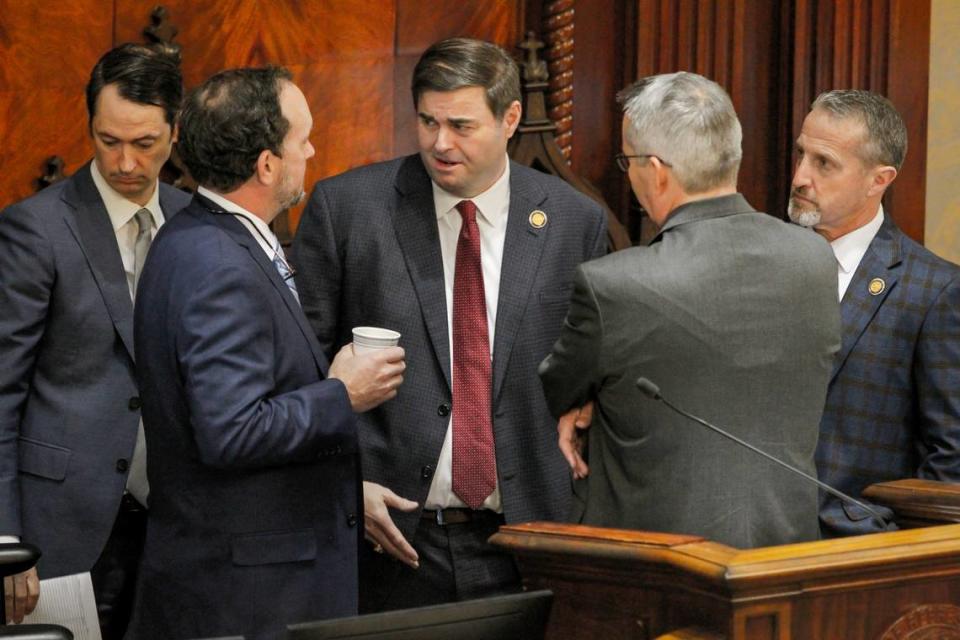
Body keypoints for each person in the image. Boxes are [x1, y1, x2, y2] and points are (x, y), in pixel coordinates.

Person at [292, 37, 607, 610]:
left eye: (461, 125)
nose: (440, 143)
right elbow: (297, 370)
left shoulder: (572, 221)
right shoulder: (349, 208)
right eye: (428, 121)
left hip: (532, 538)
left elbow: (594, 367)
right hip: (389, 538)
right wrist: (339, 487)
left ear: (510, 118)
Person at [126, 67, 405, 640]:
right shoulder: (217, 263)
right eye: (300, 138)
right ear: (266, 163)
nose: (311, 149)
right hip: (245, 597)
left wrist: (341, 488)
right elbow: (231, 431)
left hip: (241, 574)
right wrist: (342, 394)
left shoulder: (203, 236)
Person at [539, 72, 841, 549]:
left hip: (660, 565)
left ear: (656, 170)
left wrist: (591, 401)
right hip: (785, 556)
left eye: (628, 162)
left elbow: (559, 387)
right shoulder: (816, 259)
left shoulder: (612, 285)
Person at [0, 43, 187, 636]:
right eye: (108, 141)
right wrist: (6, 541)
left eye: (145, 143)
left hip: (174, 525)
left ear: (175, 131)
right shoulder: (36, 228)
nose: (125, 162)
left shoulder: (195, 222)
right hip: (60, 523)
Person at [788, 89, 960, 537]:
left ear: (879, 179)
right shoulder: (758, 261)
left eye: (824, 163)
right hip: (743, 542)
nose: (800, 177)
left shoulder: (934, 291)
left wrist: (893, 551)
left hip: (856, 551)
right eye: (801, 154)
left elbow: (951, 454)